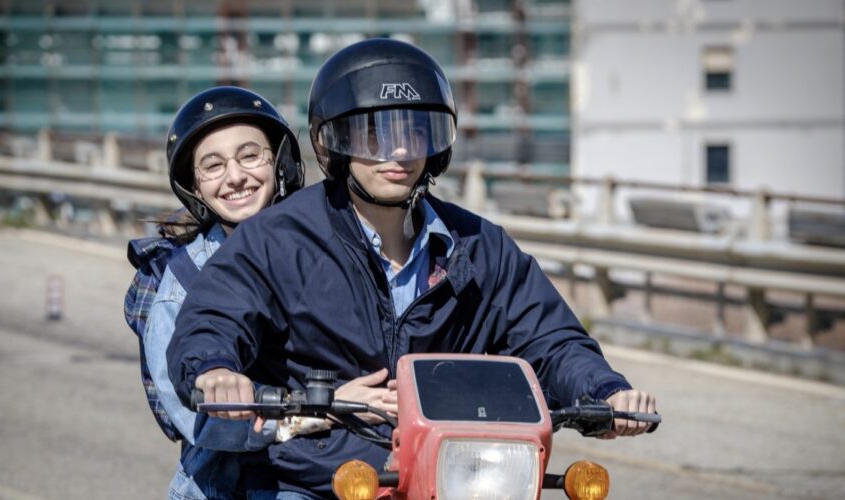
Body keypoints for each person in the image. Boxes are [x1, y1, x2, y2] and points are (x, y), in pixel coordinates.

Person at [167, 39, 656, 498]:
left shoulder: (479, 245)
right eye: (374, 132)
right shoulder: (279, 238)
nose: (398, 152)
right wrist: (214, 370)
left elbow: (551, 337)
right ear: (332, 140)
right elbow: (216, 314)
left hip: (457, 472)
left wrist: (605, 392)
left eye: (414, 131)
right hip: (321, 480)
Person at [141, 85, 305, 499]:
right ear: (195, 187)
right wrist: (319, 414)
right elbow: (211, 426)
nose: (235, 177)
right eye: (213, 166)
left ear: (279, 161)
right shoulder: (181, 284)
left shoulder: (321, 251)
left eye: (250, 156)